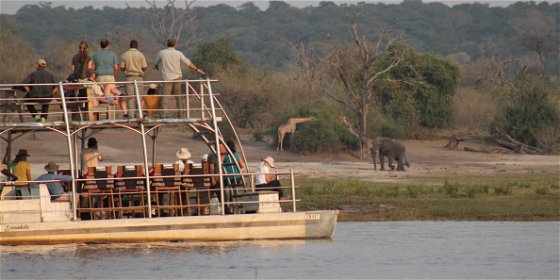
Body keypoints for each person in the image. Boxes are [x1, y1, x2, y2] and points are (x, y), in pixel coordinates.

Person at [154, 38, 205, 118]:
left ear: (167, 44)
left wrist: (156, 67)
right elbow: (188, 63)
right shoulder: (179, 53)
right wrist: (197, 69)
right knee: (178, 97)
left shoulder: (162, 53)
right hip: (177, 77)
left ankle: (163, 114)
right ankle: (180, 114)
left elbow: (156, 62)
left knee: (165, 97)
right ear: (175, 45)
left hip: (167, 77)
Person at [120, 39, 147, 116]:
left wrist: (126, 69)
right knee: (139, 97)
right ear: (137, 46)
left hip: (129, 77)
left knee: (129, 97)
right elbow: (144, 67)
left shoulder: (125, 55)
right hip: (138, 77)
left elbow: (121, 67)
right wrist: (139, 68)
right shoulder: (141, 55)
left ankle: (131, 115)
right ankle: (138, 115)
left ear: (130, 46)